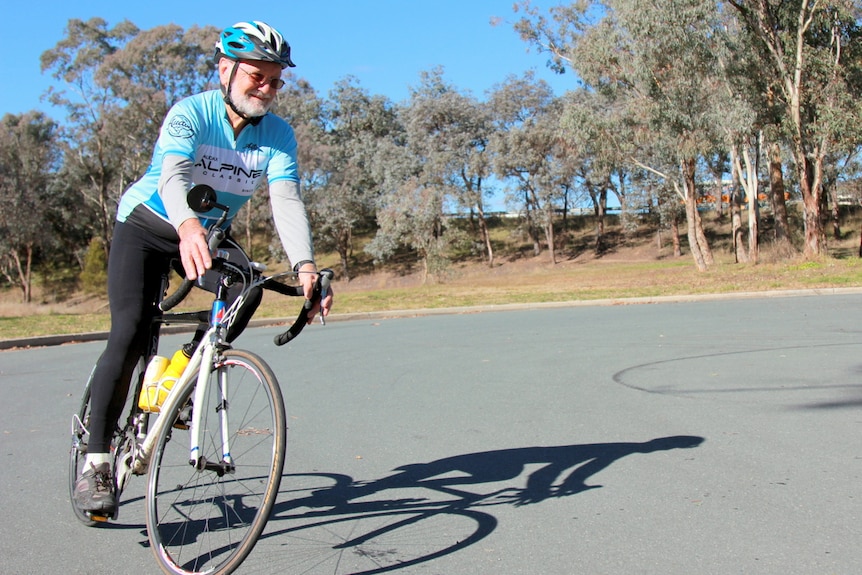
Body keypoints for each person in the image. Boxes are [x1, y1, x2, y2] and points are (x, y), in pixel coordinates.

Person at [73, 20, 333, 515]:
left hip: (208, 234)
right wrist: (188, 227)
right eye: (258, 76)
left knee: (248, 287)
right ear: (226, 69)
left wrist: (305, 265)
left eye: (276, 80)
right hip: (149, 226)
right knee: (128, 333)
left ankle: (189, 372)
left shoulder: (278, 135)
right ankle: (97, 463)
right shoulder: (190, 113)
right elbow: (171, 176)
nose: (268, 88)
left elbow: (286, 200)